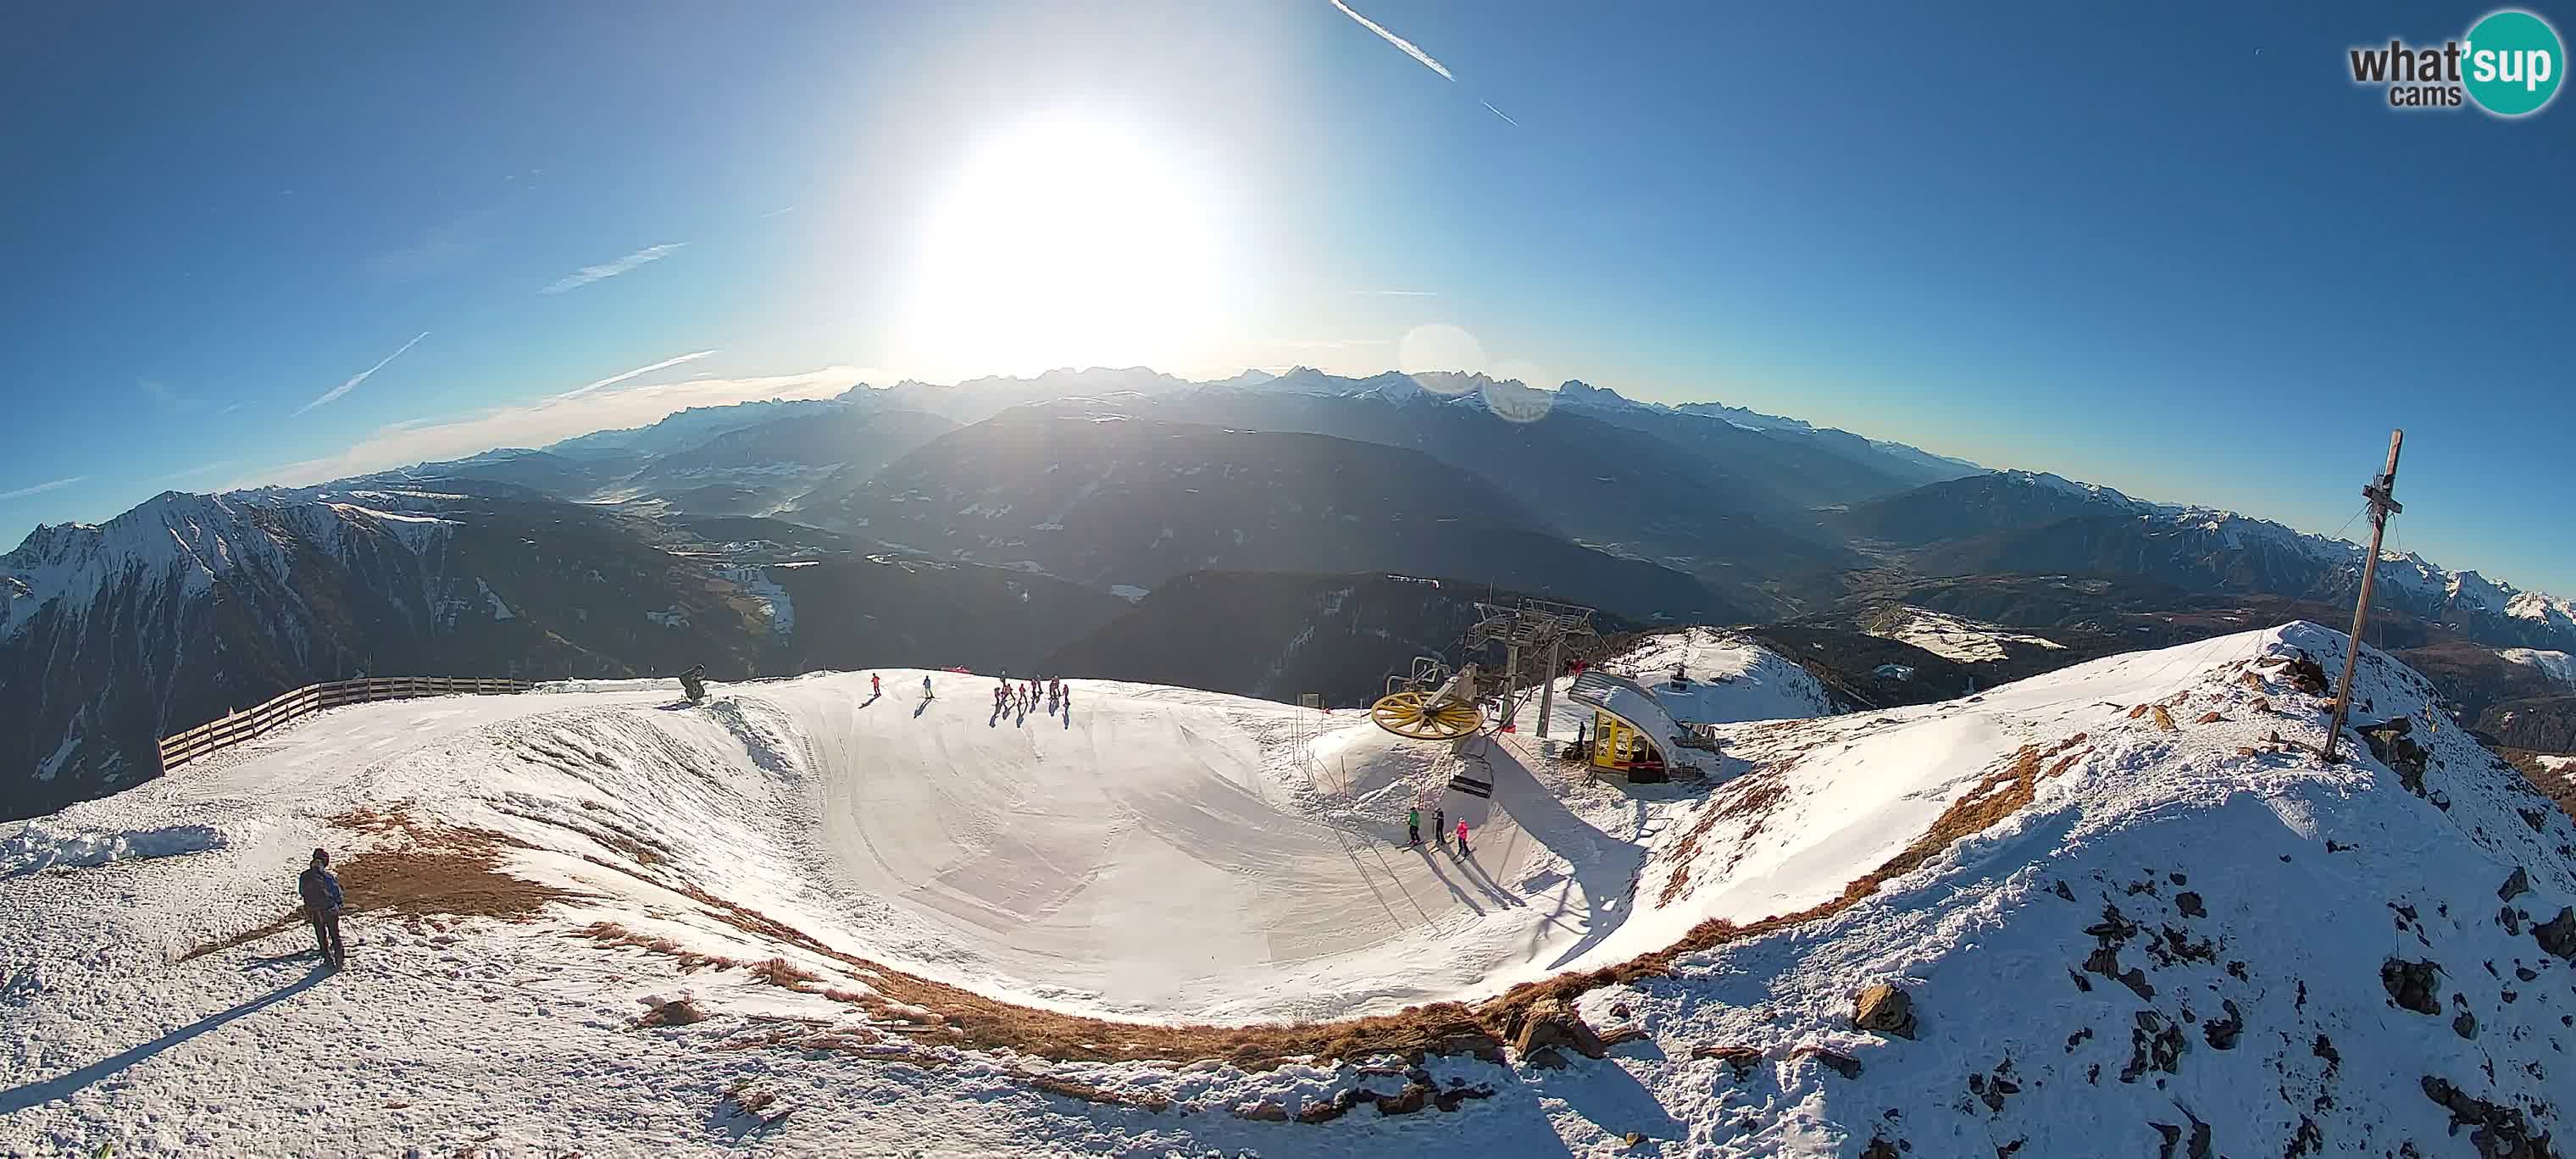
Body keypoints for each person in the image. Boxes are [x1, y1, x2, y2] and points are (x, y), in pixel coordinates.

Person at [299, 848, 346, 968]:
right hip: (329, 909)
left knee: (321, 935)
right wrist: (340, 904)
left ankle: (327, 959)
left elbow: (302, 891)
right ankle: (339, 960)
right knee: (335, 934)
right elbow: (336, 891)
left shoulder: (304, 875)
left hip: (313, 910)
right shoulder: (326, 875)